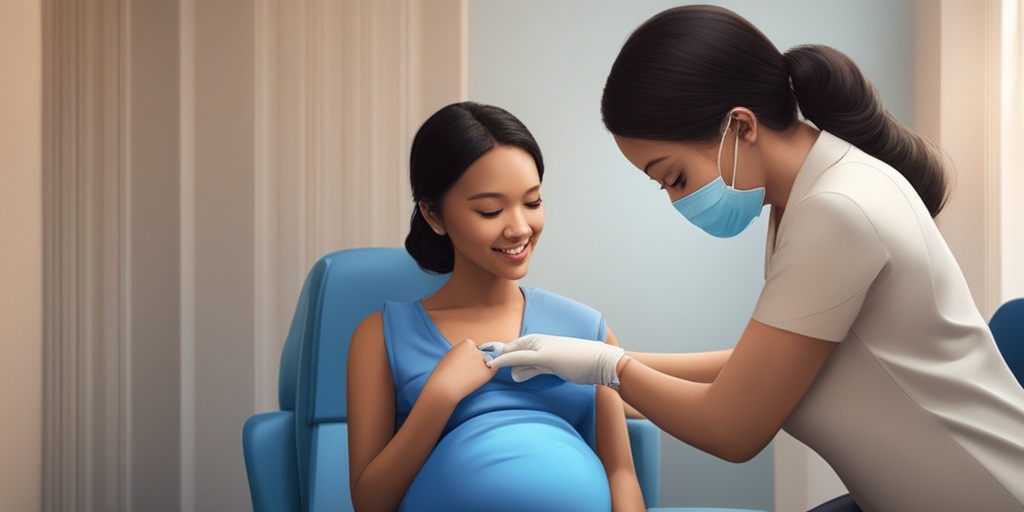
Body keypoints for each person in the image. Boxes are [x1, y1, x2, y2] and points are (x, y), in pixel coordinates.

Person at [486, 5, 1024, 511]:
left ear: (740, 126)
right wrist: (581, 362)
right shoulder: (802, 198)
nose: (676, 200)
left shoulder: (838, 210)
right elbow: (759, 365)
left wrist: (610, 367)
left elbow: (733, 428)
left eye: (673, 177)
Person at [346, 101, 646, 512]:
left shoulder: (585, 326)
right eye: (490, 210)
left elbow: (621, 473)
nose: (520, 227)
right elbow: (369, 502)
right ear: (434, 215)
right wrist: (438, 398)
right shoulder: (380, 336)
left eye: (533, 202)